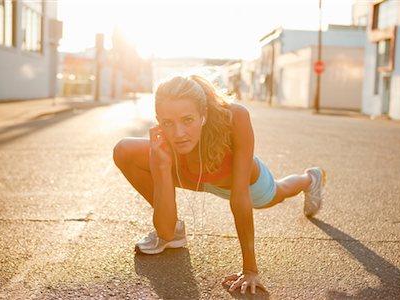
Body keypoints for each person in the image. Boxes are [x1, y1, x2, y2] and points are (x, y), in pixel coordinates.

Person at [113, 75, 326, 295]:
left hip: (241, 183)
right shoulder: (162, 143)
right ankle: (179, 231)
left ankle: (309, 179)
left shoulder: (235, 117)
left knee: (277, 193)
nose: (178, 134)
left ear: (203, 115)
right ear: (158, 120)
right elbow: (163, 231)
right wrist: (163, 167)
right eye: (168, 123)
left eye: (188, 120)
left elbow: (240, 195)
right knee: (124, 150)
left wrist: (250, 269)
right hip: (193, 178)